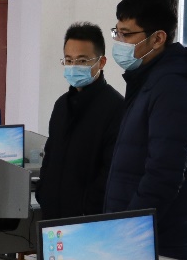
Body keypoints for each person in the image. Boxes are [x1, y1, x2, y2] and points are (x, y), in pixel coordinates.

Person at [103, 0, 187, 260]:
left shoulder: (173, 90)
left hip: (154, 242)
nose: (119, 41)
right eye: (117, 32)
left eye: (127, 34)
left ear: (157, 38)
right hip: (139, 235)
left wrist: (128, 231)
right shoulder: (150, 83)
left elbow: (162, 176)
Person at [37, 22, 126, 221]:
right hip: (52, 215)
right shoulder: (61, 105)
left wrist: (88, 207)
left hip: (87, 220)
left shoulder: (116, 108)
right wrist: (43, 192)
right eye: (68, 60)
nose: (74, 66)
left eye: (82, 60)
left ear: (101, 62)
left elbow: (111, 170)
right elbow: (50, 156)